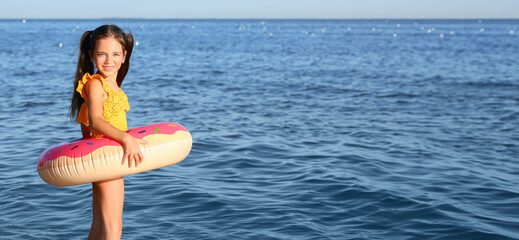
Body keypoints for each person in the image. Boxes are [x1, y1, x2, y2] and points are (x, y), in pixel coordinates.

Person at [69, 24, 147, 240]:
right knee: (113, 227)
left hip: (107, 159)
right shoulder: (96, 84)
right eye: (102, 54)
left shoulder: (114, 86)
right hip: (106, 160)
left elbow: (114, 121)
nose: (108, 60)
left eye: (115, 54)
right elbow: (96, 121)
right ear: (92, 55)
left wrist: (128, 135)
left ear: (124, 56)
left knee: (100, 224)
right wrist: (125, 138)